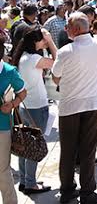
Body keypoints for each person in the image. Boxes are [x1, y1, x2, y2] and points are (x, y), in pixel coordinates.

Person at [51, 12, 97, 204]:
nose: (65, 29)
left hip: (70, 105)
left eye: (68, 26)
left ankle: (68, 190)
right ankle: (87, 192)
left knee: (68, 150)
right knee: (88, 150)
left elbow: (55, 76)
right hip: (93, 104)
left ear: (75, 29)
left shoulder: (66, 51)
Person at [11, 27, 56, 195]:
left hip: (26, 106)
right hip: (37, 107)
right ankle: (30, 183)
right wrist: (51, 42)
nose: (44, 41)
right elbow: (57, 62)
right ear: (35, 42)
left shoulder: (23, 58)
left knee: (24, 145)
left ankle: (25, 180)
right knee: (34, 147)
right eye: (42, 39)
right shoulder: (35, 58)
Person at [0, 48, 27, 204]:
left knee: (3, 171)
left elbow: (22, 93)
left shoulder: (10, 71)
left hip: (2, 127)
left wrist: (12, 104)